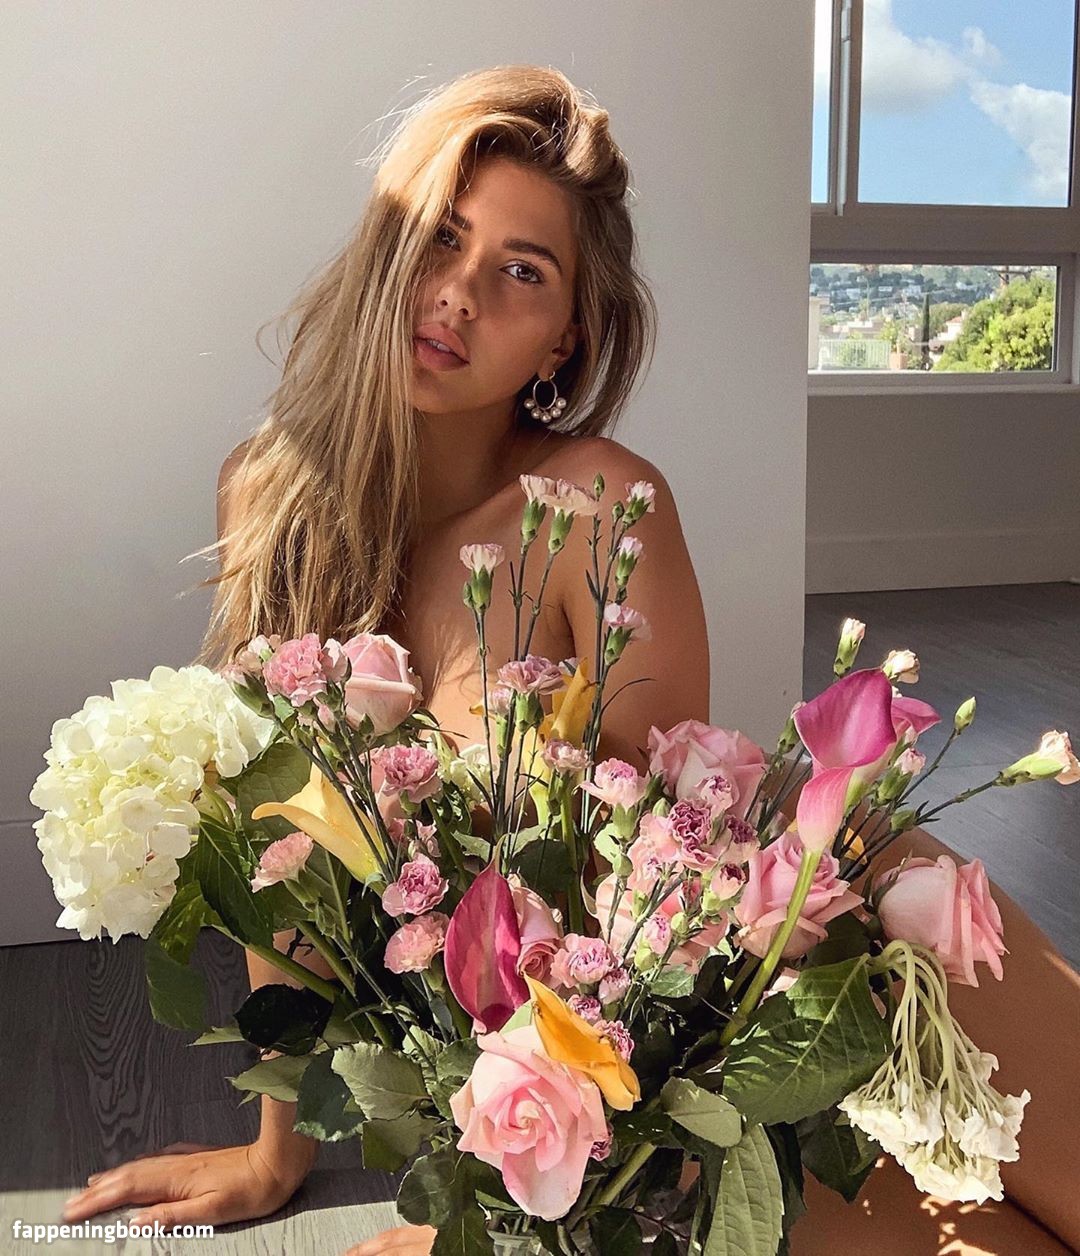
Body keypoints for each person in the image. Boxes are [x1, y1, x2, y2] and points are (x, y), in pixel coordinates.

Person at [61, 65, 1079, 1256]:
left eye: (522, 272)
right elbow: (277, 854)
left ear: (567, 336)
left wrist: (493, 1215)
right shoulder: (268, 497)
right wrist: (277, 1152)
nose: (456, 293)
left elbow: (663, 894)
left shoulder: (598, 507)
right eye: (441, 236)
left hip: (814, 973)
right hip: (658, 1132)